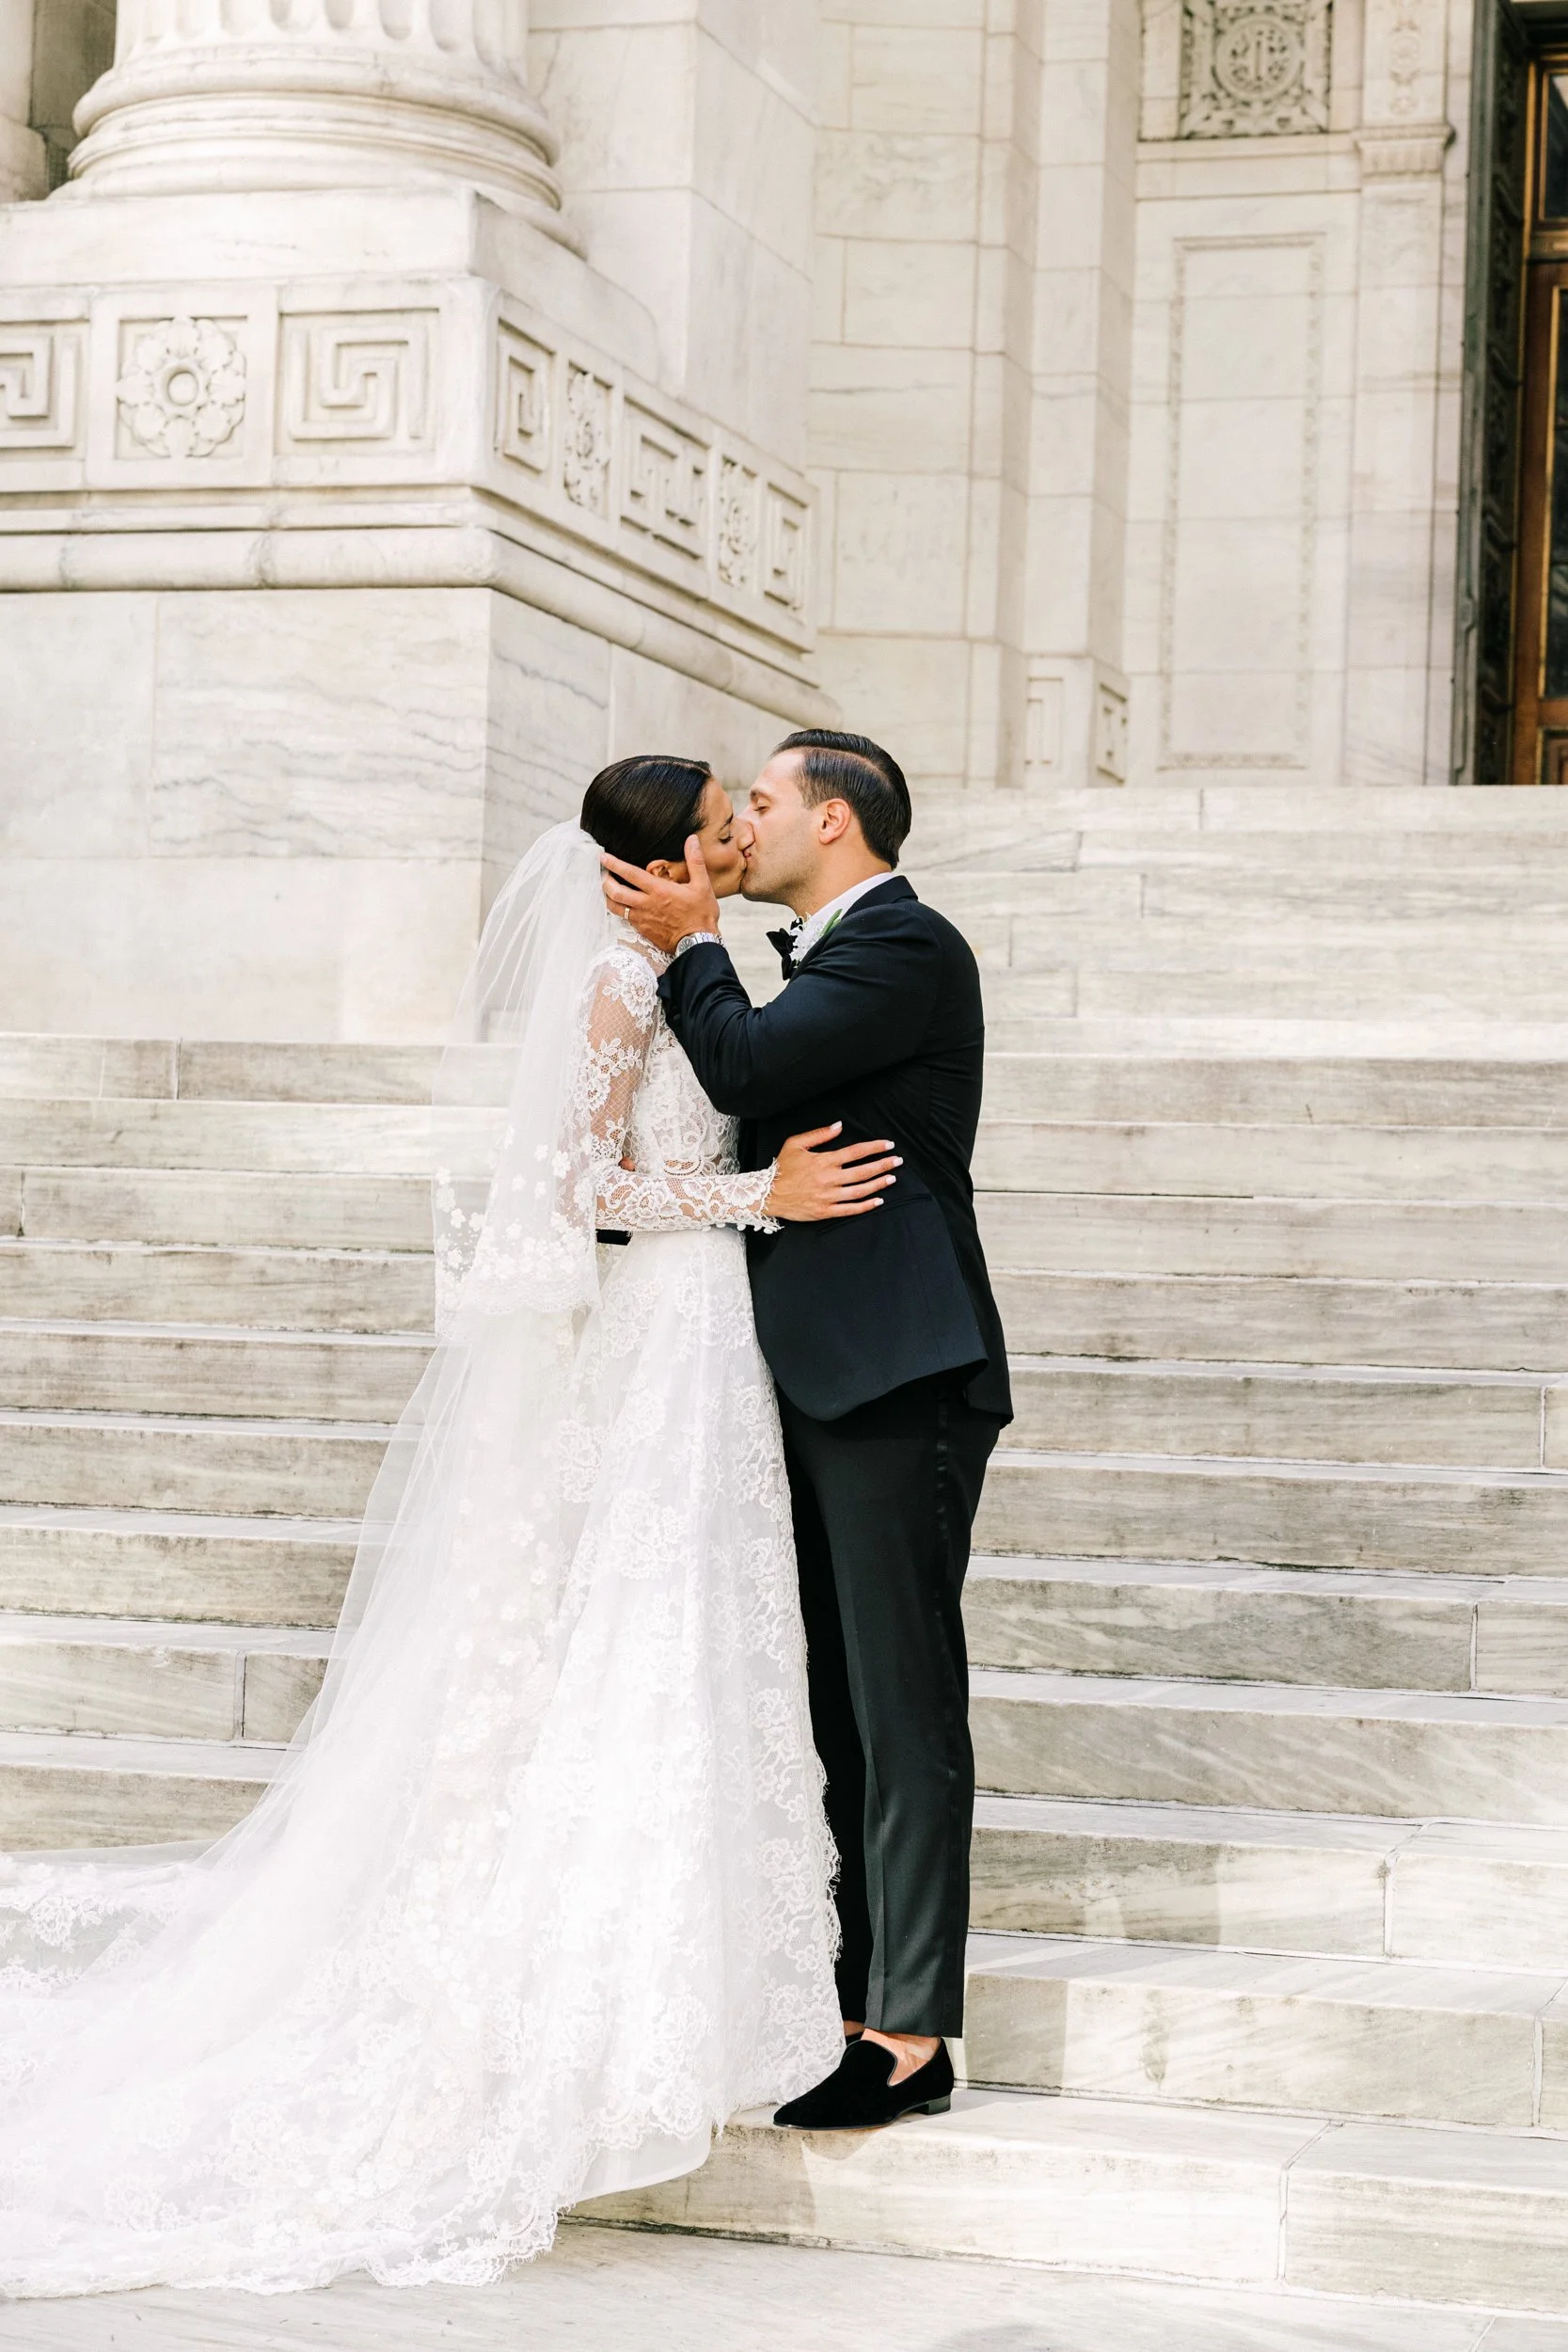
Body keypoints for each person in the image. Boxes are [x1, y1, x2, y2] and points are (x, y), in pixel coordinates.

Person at [0, 755, 894, 2297]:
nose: (735, 840)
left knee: (692, 1631)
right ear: (644, 865)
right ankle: (582, 2017)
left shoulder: (689, 965)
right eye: (711, 830)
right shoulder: (620, 985)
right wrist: (758, 1200)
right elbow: (574, 1191)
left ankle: (683, 2000)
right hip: (661, 1324)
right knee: (644, 1628)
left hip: (708, 1338)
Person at [601, 728, 1011, 2131]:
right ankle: (845, 2002)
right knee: (828, 1702)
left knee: (900, 1708)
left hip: (901, 1373)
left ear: (833, 822)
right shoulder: (826, 952)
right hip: (808, 1373)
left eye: (761, 803)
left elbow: (749, 1071)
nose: (742, 824)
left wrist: (695, 939)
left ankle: (908, 2035)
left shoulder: (907, 946)